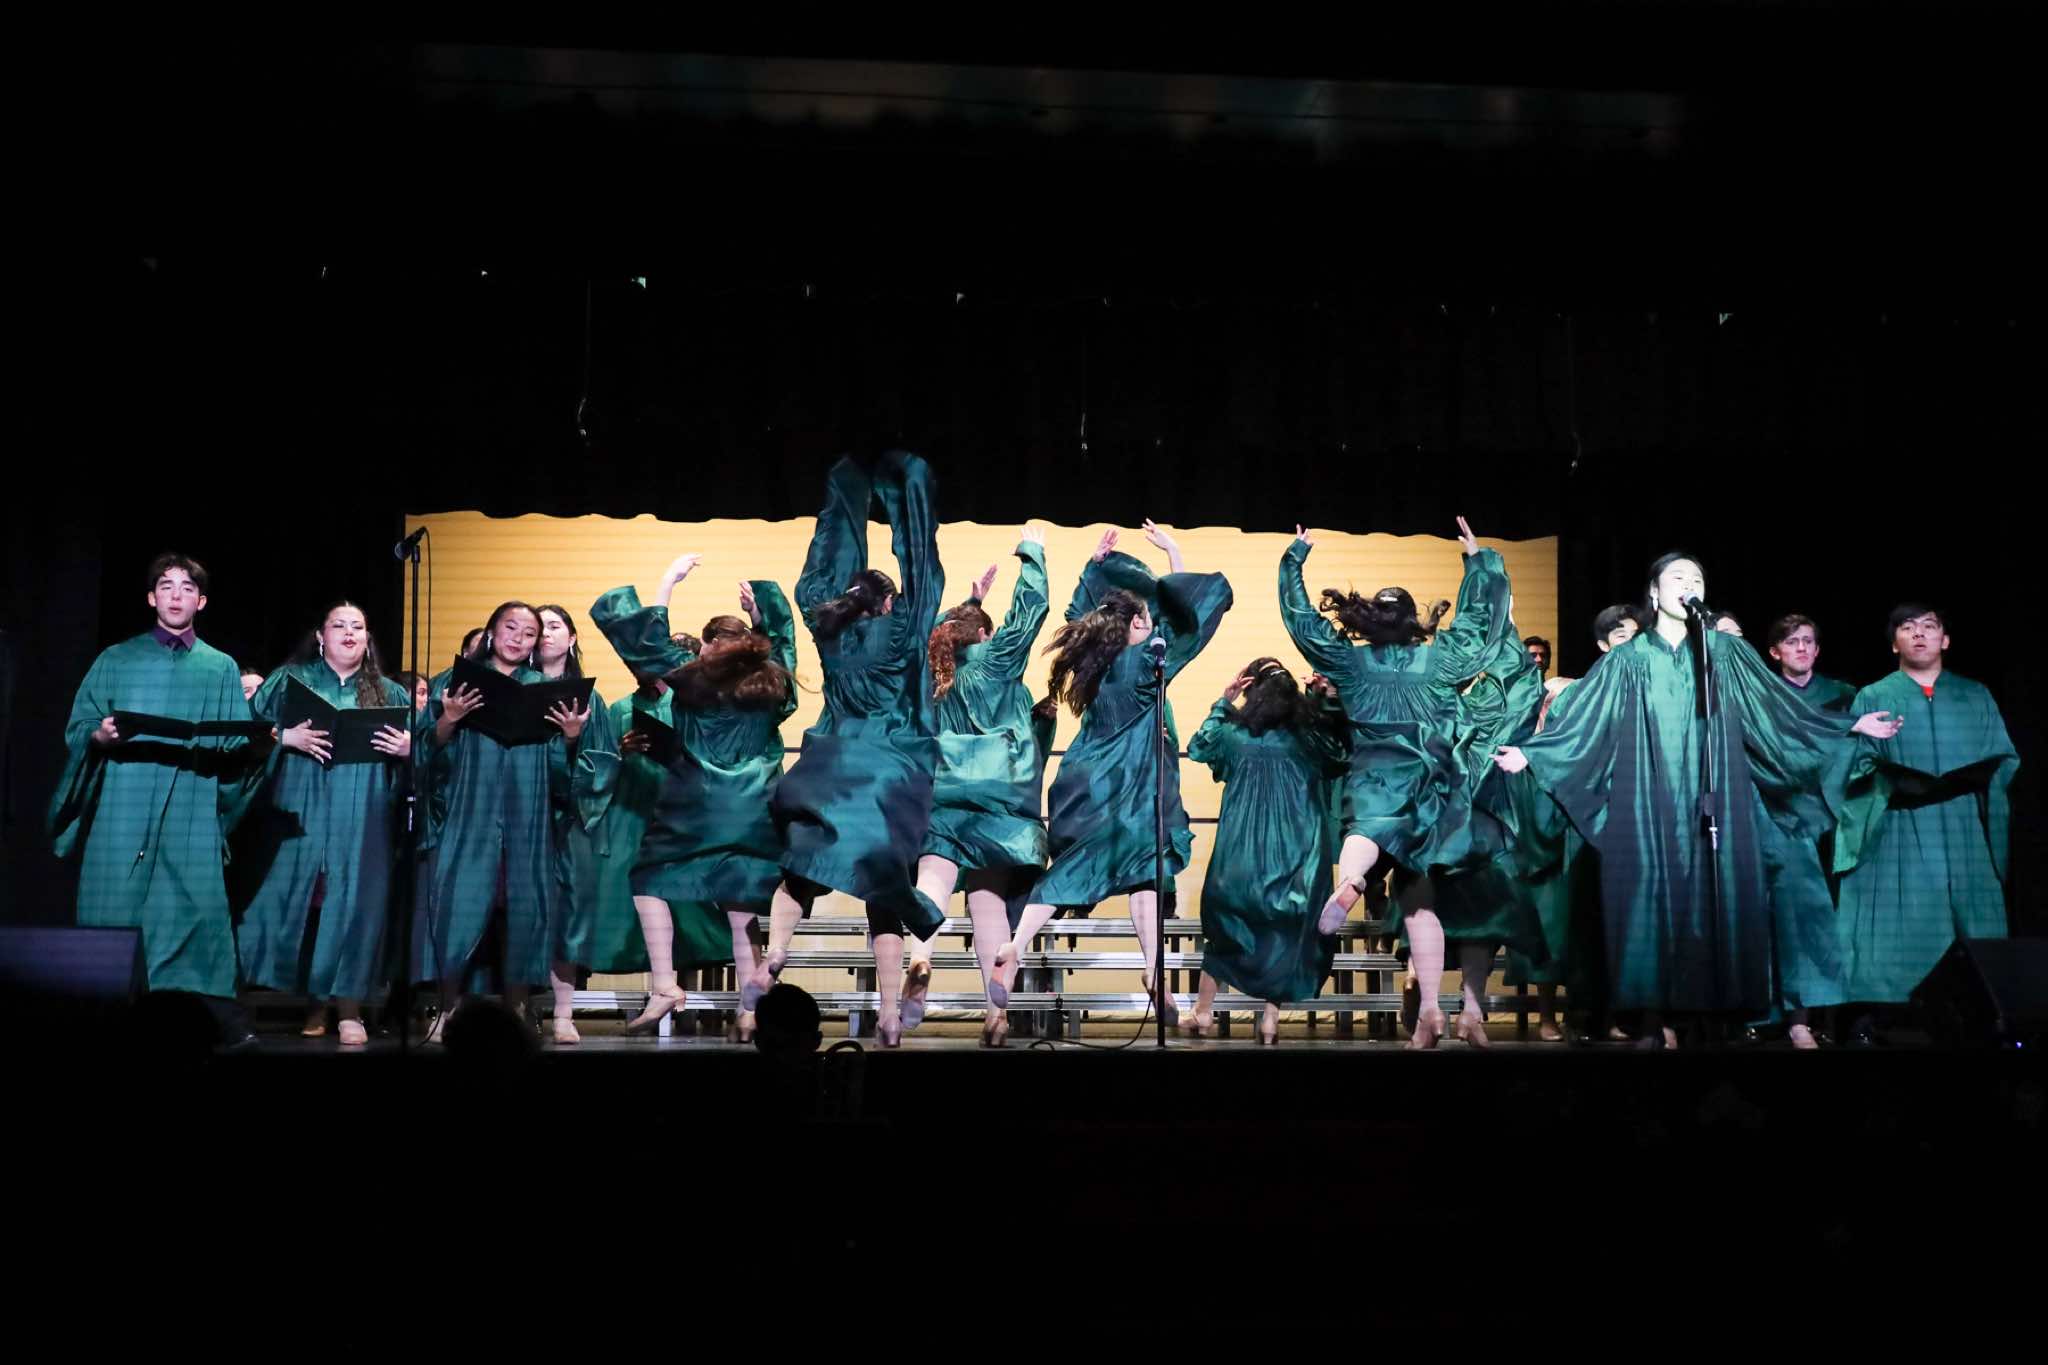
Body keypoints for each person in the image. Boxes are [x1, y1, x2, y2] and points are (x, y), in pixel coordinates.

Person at [1494, 553, 1903, 1047]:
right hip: (1648, 797)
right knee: (1649, 898)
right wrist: (1534, 753)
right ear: (1654, 592)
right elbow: (1583, 717)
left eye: (1697, 579)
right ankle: (1656, 1018)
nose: (1688, 584)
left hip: (1719, 797)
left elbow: (1775, 711)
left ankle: (1717, 1018)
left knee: (1719, 895)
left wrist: (1847, 725)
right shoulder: (1627, 659)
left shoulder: (1724, 653)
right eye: (1677, 577)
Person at [1282, 517, 1535, 1048]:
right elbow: (1480, 623)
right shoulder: (1440, 660)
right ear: (1412, 623)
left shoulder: (1350, 663)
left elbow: (1303, 623)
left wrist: (1294, 561)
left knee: (1363, 834)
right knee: (1419, 901)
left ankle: (1352, 883)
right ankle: (1432, 1012)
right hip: (1428, 785)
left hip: (1376, 775)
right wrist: (1479, 562)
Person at [990, 521, 1234, 1029]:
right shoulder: (1147, 665)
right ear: (1135, 625)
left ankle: (1016, 944)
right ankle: (1152, 964)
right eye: (1145, 619)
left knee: (1079, 870)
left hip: (1083, 784)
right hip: (1128, 786)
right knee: (1146, 869)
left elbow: (1080, 615)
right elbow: (1188, 618)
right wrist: (1175, 553)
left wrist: (1093, 568)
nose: (1150, 624)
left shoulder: (1091, 664)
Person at [746, 452, 948, 1047]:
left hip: (830, 769)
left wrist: (846, 489)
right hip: (886, 771)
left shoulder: (827, 628)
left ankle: (775, 954)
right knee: (883, 891)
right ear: (888, 603)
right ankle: (887, 1014)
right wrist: (910, 487)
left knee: (801, 869)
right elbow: (924, 566)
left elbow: (822, 563)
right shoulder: (903, 628)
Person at [49, 553, 266, 1046]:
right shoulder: (117, 659)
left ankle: (205, 1021)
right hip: (125, 798)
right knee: (115, 899)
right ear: (151, 597)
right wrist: (99, 735)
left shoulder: (219, 667)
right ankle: (106, 1018)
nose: (176, 595)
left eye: (187, 588)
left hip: (190, 798)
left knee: (195, 906)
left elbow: (233, 741)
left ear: (201, 601)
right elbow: (80, 725)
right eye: (166, 586)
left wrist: (256, 744)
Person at [591, 558, 799, 1041]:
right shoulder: (772, 682)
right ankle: (749, 1011)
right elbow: (785, 645)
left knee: (648, 880)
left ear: (707, 649)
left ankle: (665, 985)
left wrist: (667, 583)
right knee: (741, 904)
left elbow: (645, 646)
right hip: (754, 809)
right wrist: (763, 612)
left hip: (697, 807)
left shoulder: (693, 680)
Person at [1833, 604, 2018, 1041]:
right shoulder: (1874, 696)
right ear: (1894, 643)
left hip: (1962, 825)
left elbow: (2005, 758)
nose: (1919, 634)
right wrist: (1898, 781)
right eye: (1907, 627)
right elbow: (1854, 764)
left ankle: (1981, 1016)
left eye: (1929, 627)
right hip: (1899, 824)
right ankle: (1882, 1017)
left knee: (1971, 918)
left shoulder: (1974, 695)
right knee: (1900, 920)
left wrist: (1970, 781)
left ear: (1945, 640)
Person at [414, 601, 594, 1042]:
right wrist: (449, 718)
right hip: (470, 811)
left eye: (529, 633)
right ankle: (446, 1009)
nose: (518, 638)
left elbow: (562, 772)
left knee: (523, 910)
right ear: (492, 631)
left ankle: (517, 1010)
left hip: (526, 814)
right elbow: (426, 750)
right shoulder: (455, 683)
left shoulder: (546, 690)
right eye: (510, 627)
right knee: (457, 905)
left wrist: (571, 737)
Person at [902, 528, 1054, 1047]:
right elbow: (1030, 611)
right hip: (999, 795)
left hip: (945, 792)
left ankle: (921, 957)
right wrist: (1032, 555)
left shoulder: (934, 675)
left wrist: (967, 604)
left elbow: (937, 634)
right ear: (986, 634)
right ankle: (996, 1015)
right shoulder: (998, 660)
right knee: (987, 898)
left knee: (934, 880)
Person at [236, 602, 412, 1046]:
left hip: (363, 814)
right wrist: (283, 736)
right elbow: (245, 731)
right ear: (320, 636)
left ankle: (349, 1006)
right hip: (300, 806)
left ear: (368, 639)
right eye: (339, 625)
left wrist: (410, 749)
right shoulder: (289, 680)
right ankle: (305, 1000)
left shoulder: (390, 693)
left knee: (355, 905)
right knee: (296, 902)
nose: (349, 633)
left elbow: (426, 756)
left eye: (358, 627)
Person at [1181, 661, 1350, 1044]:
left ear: (1251, 692)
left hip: (1238, 860)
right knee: (1285, 938)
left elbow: (1198, 747)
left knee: (1225, 934)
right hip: (1295, 859)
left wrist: (1223, 703)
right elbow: (1341, 755)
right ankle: (1270, 1019)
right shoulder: (1307, 739)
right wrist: (1320, 701)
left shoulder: (1232, 736)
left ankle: (1203, 1012)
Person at [533, 604, 622, 1045]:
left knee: (568, 915)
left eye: (555, 626)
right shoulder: (515, 690)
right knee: (522, 912)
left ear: (571, 638)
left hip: (569, 820)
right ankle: (517, 1006)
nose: (545, 634)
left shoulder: (590, 701)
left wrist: (569, 742)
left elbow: (602, 765)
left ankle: (563, 1013)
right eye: (539, 627)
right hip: (519, 814)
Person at [1766, 615, 1856, 713]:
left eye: (1808, 641)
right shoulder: (1767, 697)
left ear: (1816, 650)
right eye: (1791, 642)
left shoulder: (1842, 692)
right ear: (1775, 653)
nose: (1802, 648)